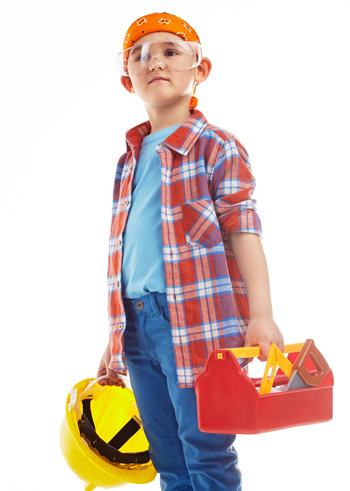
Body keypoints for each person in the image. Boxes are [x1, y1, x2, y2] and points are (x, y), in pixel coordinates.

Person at [97, 12, 283, 490]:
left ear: (200, 70)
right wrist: (115, 338)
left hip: (197, 321)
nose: (153, 61)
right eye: (140, 56)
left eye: (169, 51)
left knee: (205, 447)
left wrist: (260, 315)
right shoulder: (128, 160)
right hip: (137, 324)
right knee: (166, 455)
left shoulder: (216, 147)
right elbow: (129, 254)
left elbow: (244, 230)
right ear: (127, 80)